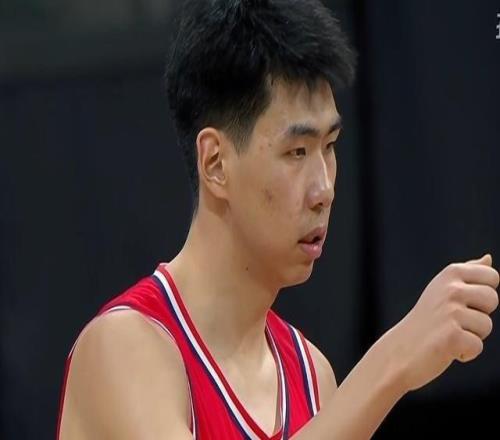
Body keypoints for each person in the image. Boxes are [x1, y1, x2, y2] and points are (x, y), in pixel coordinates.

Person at [57, 0, 500, 438]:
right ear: (215, 164)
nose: (324, 189)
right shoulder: (124, 347)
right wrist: (393, 362)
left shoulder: (313, 378)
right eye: (297, 152)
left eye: (330, 147)